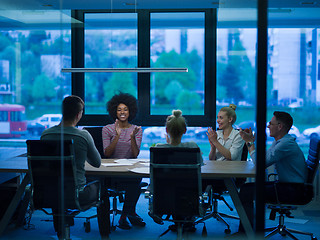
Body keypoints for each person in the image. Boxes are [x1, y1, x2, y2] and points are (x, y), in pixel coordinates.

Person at [41, 95, 108, 238]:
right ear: (79, 114)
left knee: (57, 186)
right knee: (102, 186)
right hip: (77, 195)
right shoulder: (83, 135)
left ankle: (60, 233)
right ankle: (105, 235)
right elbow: (97, 163)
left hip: (48, 193)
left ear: (63, 112)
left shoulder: (46, 135)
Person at [238, 111, 308, 234]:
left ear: (280, 126)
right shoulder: (281, 141)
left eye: (271, 123)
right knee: (246, 188)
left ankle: (245, 233)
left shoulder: (285, 144)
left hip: (292, 190)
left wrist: (249, 143)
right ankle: (247, 230)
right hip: (288, 185)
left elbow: (260, 164)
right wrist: (252, 142)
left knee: (246, 191)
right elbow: (264, 157)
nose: (268, 126)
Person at [102, 92, 145, 230]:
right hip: (111, 172)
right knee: (136, 186)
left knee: (137, 180)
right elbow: (107, 153)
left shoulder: (137, 129)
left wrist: (132, 137)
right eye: (119, 109)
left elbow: (135, 154)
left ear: (130, 111)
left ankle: (124, 216)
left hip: (128, 170)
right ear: (114, 111)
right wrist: (117, 135)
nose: (122, 112)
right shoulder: (107, 129)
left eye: (125, 109)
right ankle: (129, 213)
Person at [155, 109, 203, 232]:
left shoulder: (159, 149)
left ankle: (177, 221)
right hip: (189, 197)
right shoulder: (192, 146)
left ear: (166, 130)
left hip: (164, 197)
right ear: (185, 131)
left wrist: (168, 145)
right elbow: (201, 164)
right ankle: (186, 220)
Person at [204, 104, 245, 192]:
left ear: (230, 119)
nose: (218, 120)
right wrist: (213, 147)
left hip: (230, 175)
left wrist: (215, 142)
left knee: (203, 182)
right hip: (216, 173)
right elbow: (211, 159)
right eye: (217, 117)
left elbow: (231, 156)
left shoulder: (238, 135)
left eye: (221, 118)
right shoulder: (217, 134)